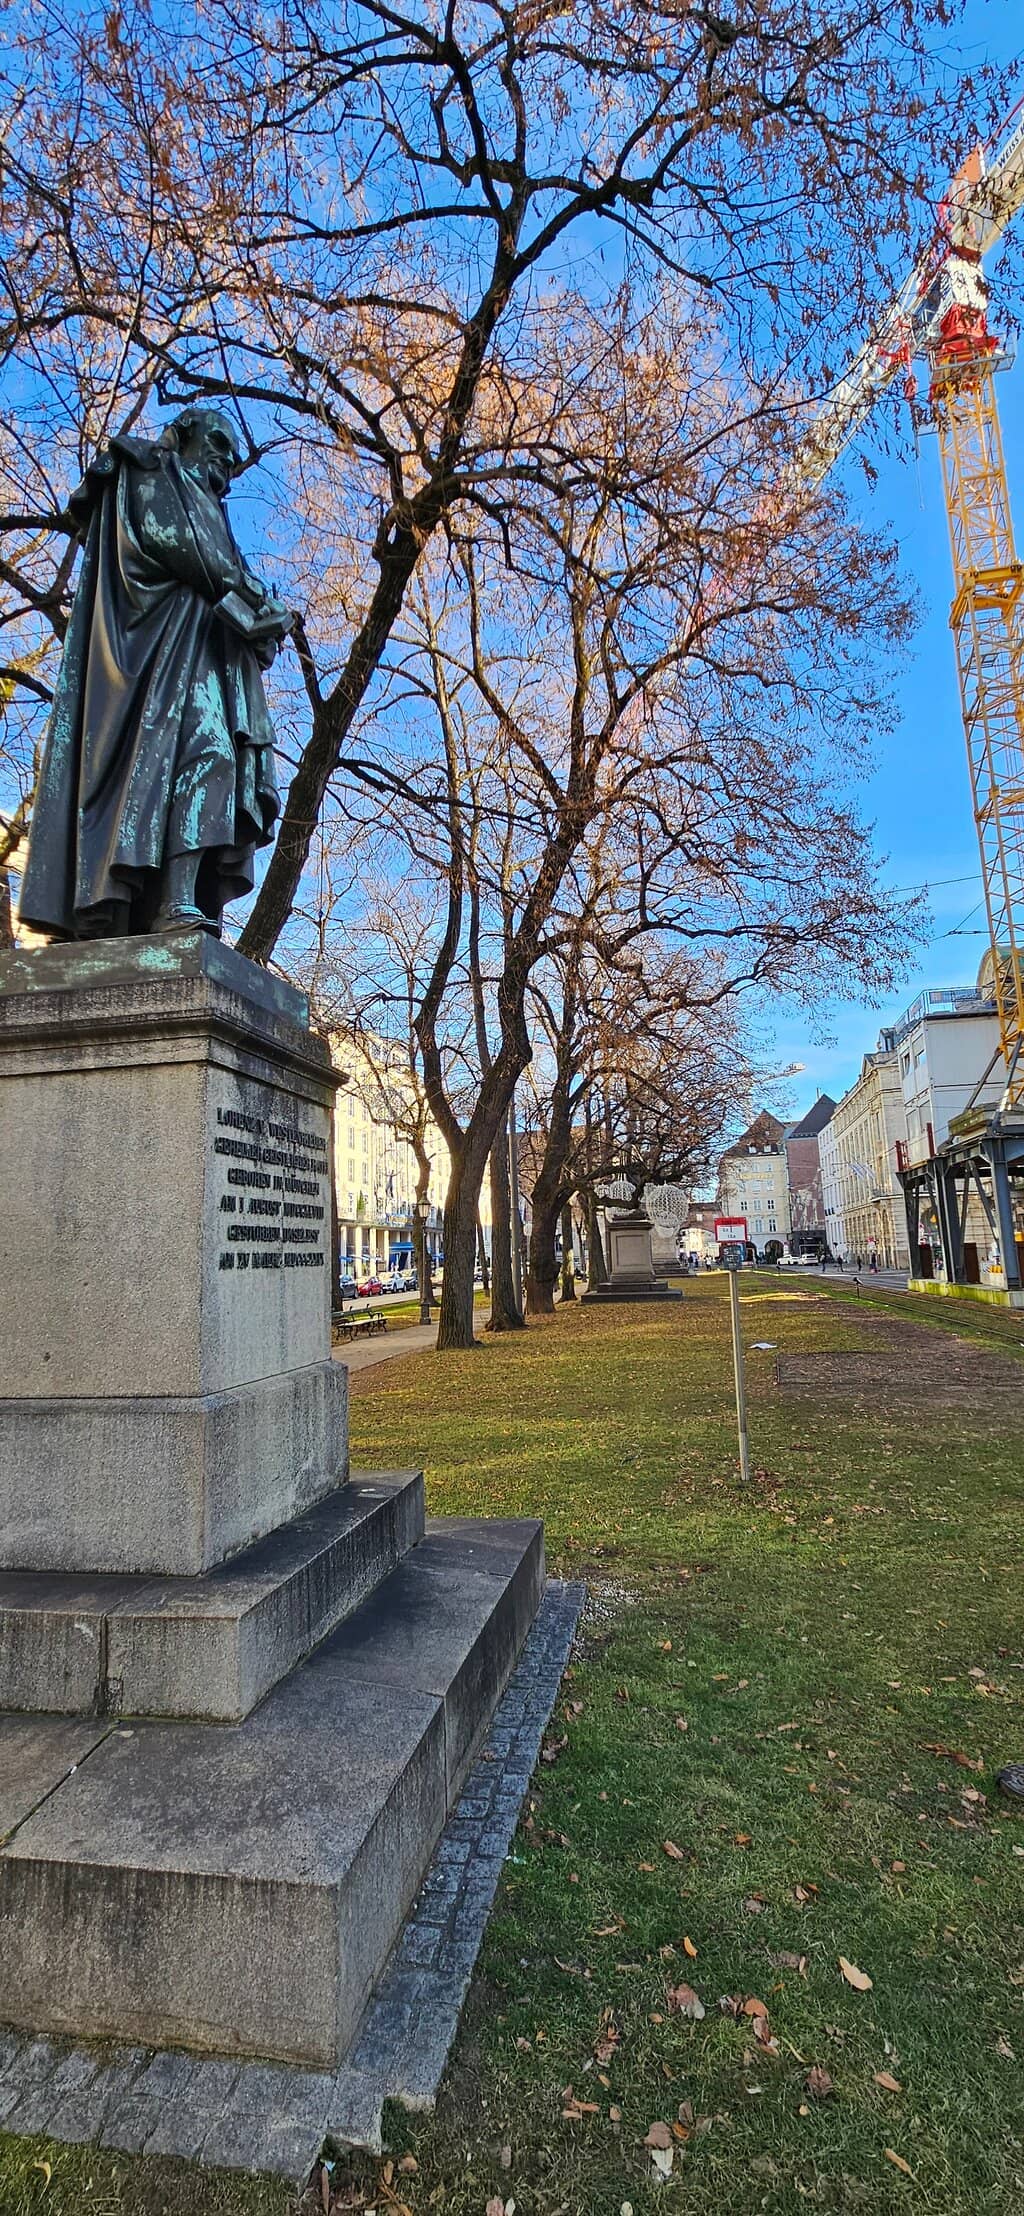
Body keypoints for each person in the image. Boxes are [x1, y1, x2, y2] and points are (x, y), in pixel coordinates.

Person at [18, 407, 291, 940]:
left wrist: (263, 619)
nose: (227, 458)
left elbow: (218, 569)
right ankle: (173, 903)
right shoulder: (147, 470)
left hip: (205, 658)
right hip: (150, 663)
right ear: (185, 435)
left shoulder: (213, 510)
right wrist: (257, 598)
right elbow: (180, 547)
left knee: (214, 763)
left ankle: (179, 900)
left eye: (233, 454)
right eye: (218, 440)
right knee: (202, 757)